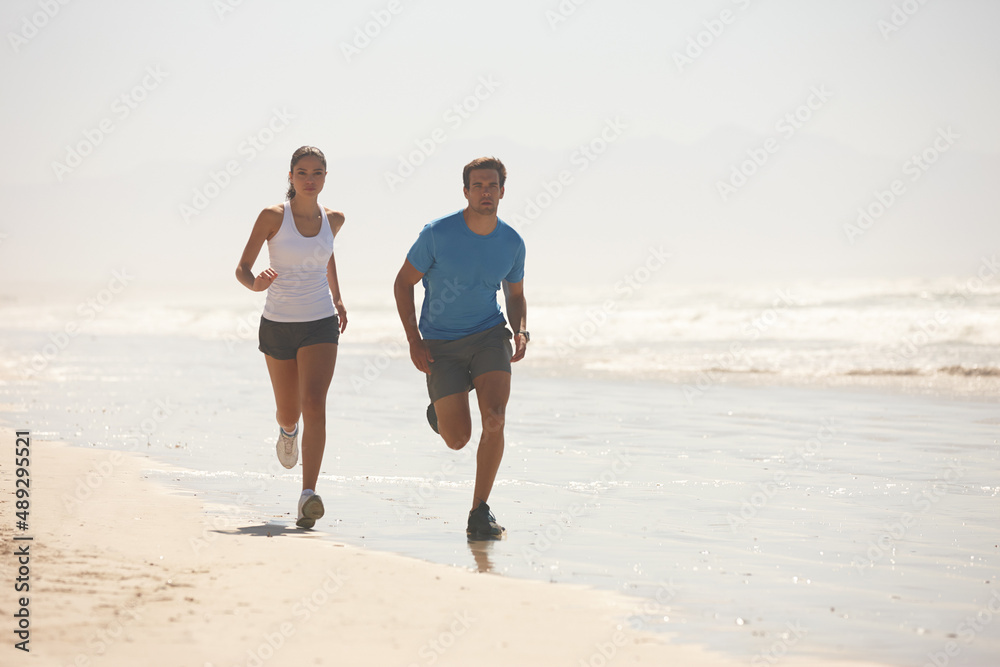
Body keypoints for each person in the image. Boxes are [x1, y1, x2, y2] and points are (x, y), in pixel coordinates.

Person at [393, 156, 528, 539]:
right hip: (441, 344)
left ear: (502, 191)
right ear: (466, 190)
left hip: (489, 335)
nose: (486, 192)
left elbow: (515, 294)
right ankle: (441, 409)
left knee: (496, 417)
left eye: (493, 186)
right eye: (478, 185)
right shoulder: (437, 234)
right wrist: (413, 340)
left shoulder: (512, 242)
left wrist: (520, 330)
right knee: (457, 439)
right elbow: (402, 284)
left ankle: (478, 511)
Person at [235, 145, 347, 529]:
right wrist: (255, 284)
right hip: (278, 323)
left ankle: (307, 496)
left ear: (325, 177)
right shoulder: (272, 217)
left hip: (320, 321)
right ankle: (287, 432)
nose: (310, 179)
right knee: (290, 411)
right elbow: (242, 268)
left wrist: (337, 296)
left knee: (315, 401)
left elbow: (326, 254)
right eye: (302, 172)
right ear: (290, 177)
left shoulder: (335, 219)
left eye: (317, 173)